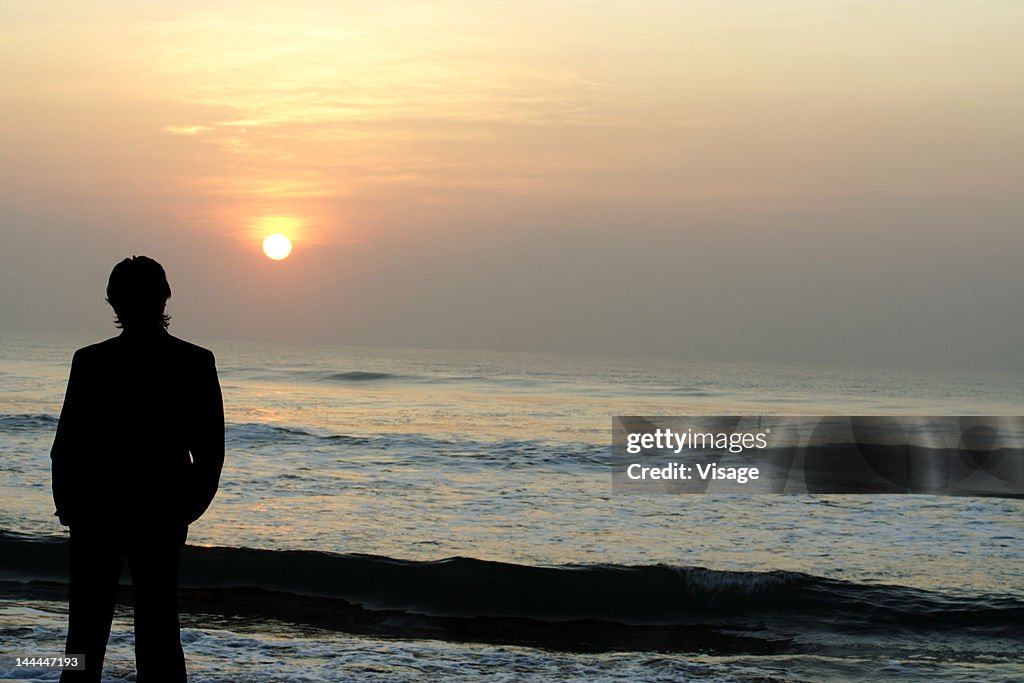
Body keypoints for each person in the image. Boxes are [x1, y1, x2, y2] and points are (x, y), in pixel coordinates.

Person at [50, 256, 225, 682]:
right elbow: (210, 454)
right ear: (164, 297)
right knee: (159, 632)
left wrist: (69, 507)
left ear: (113, 302)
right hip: (156, 510)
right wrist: (186, 508)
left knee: (86, 636)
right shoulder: (193, 361)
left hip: (99, 510)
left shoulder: (91, 361)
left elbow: (66, 447)